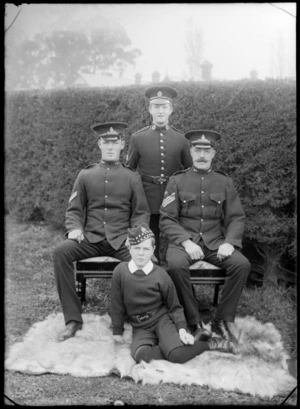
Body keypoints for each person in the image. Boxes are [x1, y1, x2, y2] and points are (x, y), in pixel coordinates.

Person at [53, 122, 150, 341]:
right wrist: (75, 229)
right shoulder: (86, 175)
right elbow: (74, 209)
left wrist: (135, 238)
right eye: (106, 142)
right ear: (99, 144)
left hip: (121, 240)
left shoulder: (131, 177)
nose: (110, 147)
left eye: (114, 143)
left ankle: (138, 318)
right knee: (61, 252)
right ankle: (72, 319)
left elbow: (141, 213)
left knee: (147, 262)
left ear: (122, 145)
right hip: (91, 238)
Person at [159, 129, 251, 345]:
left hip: (215, 243)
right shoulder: (177, 181)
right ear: (191, 152)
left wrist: (229, 242)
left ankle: (221, 321)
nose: (201, 155)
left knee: (242, 264)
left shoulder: (224, 182)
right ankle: (194, 321)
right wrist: (186, 242)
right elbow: (166, 218)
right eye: (197, 150)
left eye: (206, 150)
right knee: (175, 265)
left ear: (213, 154)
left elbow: (236, 218)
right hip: (184, 242)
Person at [111, 223, 238, 365]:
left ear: (153, 249)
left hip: (161, 320)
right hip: (140, 326)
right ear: (129, 249)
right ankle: (172, 347)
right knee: (141, 356)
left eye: (146, 249)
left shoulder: (161, 275)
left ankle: (211, 343)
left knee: (177, 356)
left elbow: (174, 307)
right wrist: (117, 330)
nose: (141, 253)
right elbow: (116, 303)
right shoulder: (120, 272)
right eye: (137, 248)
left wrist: (182, 329)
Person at [126, 85, 192, 263]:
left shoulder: (181, 139)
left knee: (175, 242)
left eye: (164, 107)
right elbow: (130, 171)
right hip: (147, 197)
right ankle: (151, 278)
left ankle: (172, 277)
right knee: (150, 239)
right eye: (156, 106)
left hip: (174, 197)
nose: (160, 111)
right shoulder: (138, 138)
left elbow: (189, 171)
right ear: (150, 109)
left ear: (171, 109)